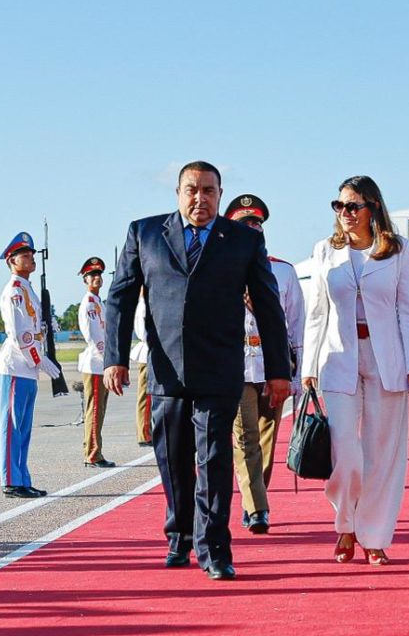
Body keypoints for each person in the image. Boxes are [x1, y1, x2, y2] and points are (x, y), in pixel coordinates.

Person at [102, 161, 290, 582]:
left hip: (221, 369)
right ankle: (179, 537)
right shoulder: (144, 234)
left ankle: (215, 547)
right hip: (167, 371)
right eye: (191, 190)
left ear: (220, 195)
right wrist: (113, 357)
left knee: (215, 459)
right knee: (172, 459)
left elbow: (268, 306)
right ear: (178, 192)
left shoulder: (242, 240)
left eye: (208, 191)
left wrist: (279, 370)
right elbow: (120, 298)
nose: (199, 199)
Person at [302, 175, 409, 567]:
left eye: (353, 206)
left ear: (372, 208)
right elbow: (317, 312)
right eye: (339, 206)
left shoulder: (397, 250)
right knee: (347, 454)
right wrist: (308, 365)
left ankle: (373, 534)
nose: (345, 214)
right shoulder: (325, 251)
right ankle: (345, 523)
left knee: (382, 452)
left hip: (386, 357)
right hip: (337, 359)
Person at [224, 194, 305, 535]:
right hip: (238, 367)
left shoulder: (283, 272)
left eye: (257, 224)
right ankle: (256, 508)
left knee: (268, 439)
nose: (253, 229)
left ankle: (256, 497)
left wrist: (297, 375)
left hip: (274, 368)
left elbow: (297, 324)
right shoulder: (220, 269)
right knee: (246, 438)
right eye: (246, 225)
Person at [0, 232, 62, 498]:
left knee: (24, 426)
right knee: (12, 424)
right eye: (24, 255)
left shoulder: (28, 289)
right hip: (16, 364)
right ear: (11, 260)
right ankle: (10, 479)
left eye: (31, 254)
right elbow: (20, 333)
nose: (30, 258)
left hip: (28, 367)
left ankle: (21, 476)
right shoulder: (14, 292)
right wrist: (39, 359)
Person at [77, 257, 115, 468]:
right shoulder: (89, 303)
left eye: (99, 275)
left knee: (99, 410)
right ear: (85, 279)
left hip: (101, 363)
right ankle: (92, 453)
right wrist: (107, 358)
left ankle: (94, 450)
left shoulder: (98, 302)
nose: (97, 278)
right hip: (96, 363)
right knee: (94, 410)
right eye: (92, 275)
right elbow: (94, 336)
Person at [130, 289, 152, 447]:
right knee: (145, 396)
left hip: (152, 351)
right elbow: (143, 331)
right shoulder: (144, 305)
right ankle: (144, 433)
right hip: (148, 352)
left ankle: (147, 430)